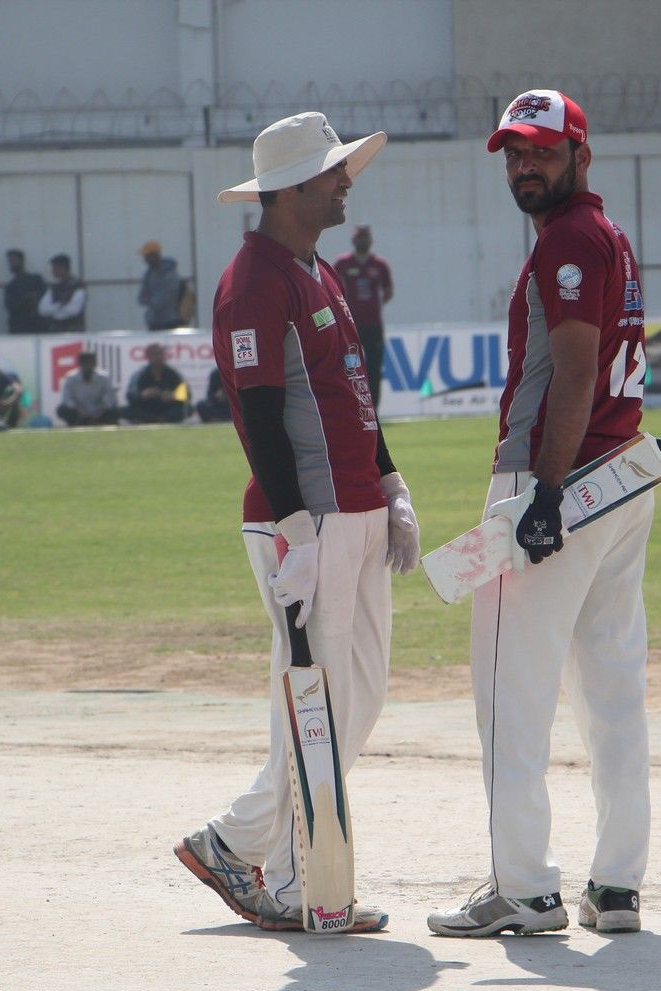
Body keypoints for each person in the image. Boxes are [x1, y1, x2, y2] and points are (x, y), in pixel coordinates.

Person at [171, 111, 419, 934]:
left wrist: (391, 482)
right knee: (313, 702)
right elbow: (259, 412)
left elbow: (353, 392)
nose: (346, 182)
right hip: (306, 520)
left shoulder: (321, 270)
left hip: (356, 509)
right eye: (330, 173)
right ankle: (271, 867)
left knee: (357, 697)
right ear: (288, 191)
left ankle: (251, 852)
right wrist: (296, 529)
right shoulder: (254, 281)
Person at [427, 90, 654, 938]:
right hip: (622, 477)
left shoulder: (566, 241)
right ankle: (618, 885)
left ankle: (523, 888)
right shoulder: (607, 235)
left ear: (579, 156)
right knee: (611, 689)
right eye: (515, 153)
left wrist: (545, 494)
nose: (525, 166)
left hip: (553, 482)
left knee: (510, 693)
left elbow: (574, 368)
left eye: (542, 152)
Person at [332, 224, 394, 407]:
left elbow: (388, 291)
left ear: (371, 240)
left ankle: (374, 410)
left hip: (374, 325)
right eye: (359, 237)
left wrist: (374, 306)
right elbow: (330, 287)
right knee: (350, 368)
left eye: (365, 237)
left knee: (374, 368)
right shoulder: (343, 263)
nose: (362, 241)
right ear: (353, 240)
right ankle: (353, 407)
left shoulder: (379, 265)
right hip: (351, 326)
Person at [124, 342, 189, 423]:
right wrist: (142, 395)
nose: (157, 357)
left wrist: (173, 396)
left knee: (187, 409)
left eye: (160, 354)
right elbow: (130, 396)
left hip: (168, 408)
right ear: (148, 357)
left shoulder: (173, 373)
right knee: (127, 411)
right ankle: (154, 420)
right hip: (147, 408)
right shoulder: (140, 374)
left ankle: (162, 419)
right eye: (154, 355)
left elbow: (187, 395)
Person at [137, 241, 196, 330]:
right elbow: (141, 298)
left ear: (155, 255)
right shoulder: (149, 274)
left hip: (171, 322)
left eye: (147, 256)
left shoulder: (170, 273)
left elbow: (167, 297)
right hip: (154, 322)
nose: (145, 259)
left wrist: (152, 301)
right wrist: (151, 301)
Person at [56, 350, 119, 426]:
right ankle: (76, 425)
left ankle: (103, 425)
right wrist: (79, 409)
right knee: (62, 409)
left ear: (95, 363)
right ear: (80, 364)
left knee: (115, 411)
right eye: (85, 363)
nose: (88, 366)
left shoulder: (103, 377)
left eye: (91, 362)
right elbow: (67, 399)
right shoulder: (71, 378)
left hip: (99, 411)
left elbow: (111, 398)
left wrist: (101, 410)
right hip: (78, 412)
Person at [38, 254, 87, 332]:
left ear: (63, 268)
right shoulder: (53, 288)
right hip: (55, 330)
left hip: (74, 330)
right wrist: (59, 306)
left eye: (55, 268)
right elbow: (42, 309)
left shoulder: (79, 286)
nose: (53, 271)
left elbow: (74, 310)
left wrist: (53, 309)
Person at [3, 249, 45, 334]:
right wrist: (27, 299)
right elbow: (10, 306)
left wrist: (26, 301)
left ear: (22, 260)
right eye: (10, 261)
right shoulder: (10, 286)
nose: (11, 264)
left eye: (14, 260)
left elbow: (44, 298)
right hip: (18, 327)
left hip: (37, 326)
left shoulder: (36, 279)